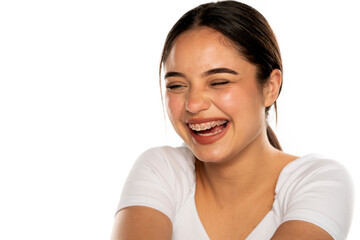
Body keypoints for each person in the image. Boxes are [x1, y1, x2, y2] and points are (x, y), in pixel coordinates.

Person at [111, 1, 354, 239]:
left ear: (270, 87)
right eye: (176, 85)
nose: (193, 104)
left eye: (218, 82)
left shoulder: (320, 181)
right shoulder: (161, 169)